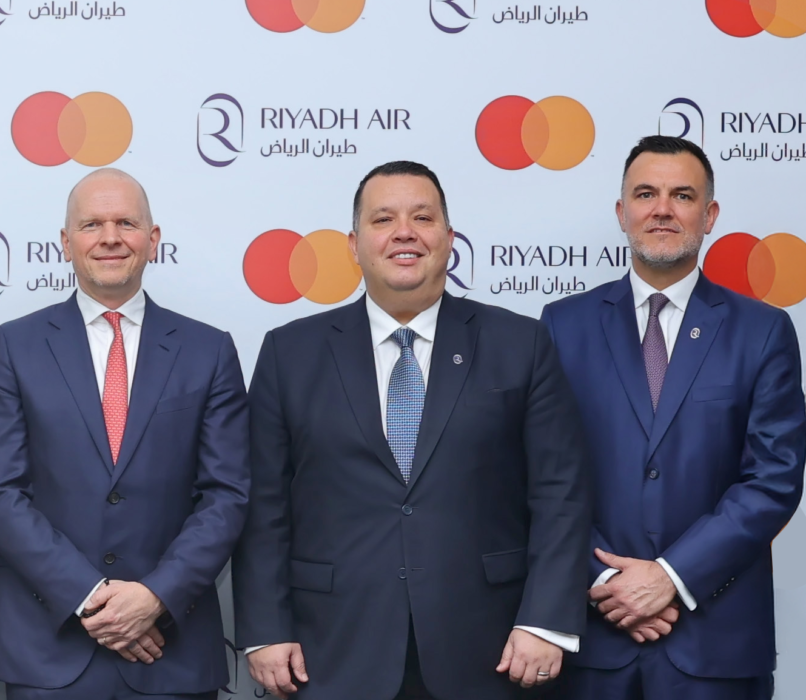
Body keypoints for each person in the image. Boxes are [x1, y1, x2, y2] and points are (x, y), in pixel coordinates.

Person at [233, 161, 592, 699]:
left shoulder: (521, 344)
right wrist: (265, 628)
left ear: (449, 239)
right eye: (383, 219)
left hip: (491, 650)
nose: (405, 232)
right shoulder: (290, 352)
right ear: (354, 245)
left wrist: (546, 621)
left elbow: (560, 493)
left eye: (422, 218)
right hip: (329, 651)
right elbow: (263, 505)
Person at [541, 135, 806, 700]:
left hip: (716, 646)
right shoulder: (562, 325)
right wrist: (607, 580)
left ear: (709, 215)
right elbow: (539, 475)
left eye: (682, 195)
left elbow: (773, 480)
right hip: (593, 641)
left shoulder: (763, 331)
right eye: (645, 194)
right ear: (622, 213)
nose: (662, 209)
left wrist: (670, 577)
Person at [0, 168, 250, 700]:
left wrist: (155, 597)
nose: (110, 238)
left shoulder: (209, 351)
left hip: (170, 649)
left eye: (126, 223)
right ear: (65, 242)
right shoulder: (13, 346)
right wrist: (90, 596)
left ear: (153, 238)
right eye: (91, 224)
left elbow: (226, 494)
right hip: (47, 650)